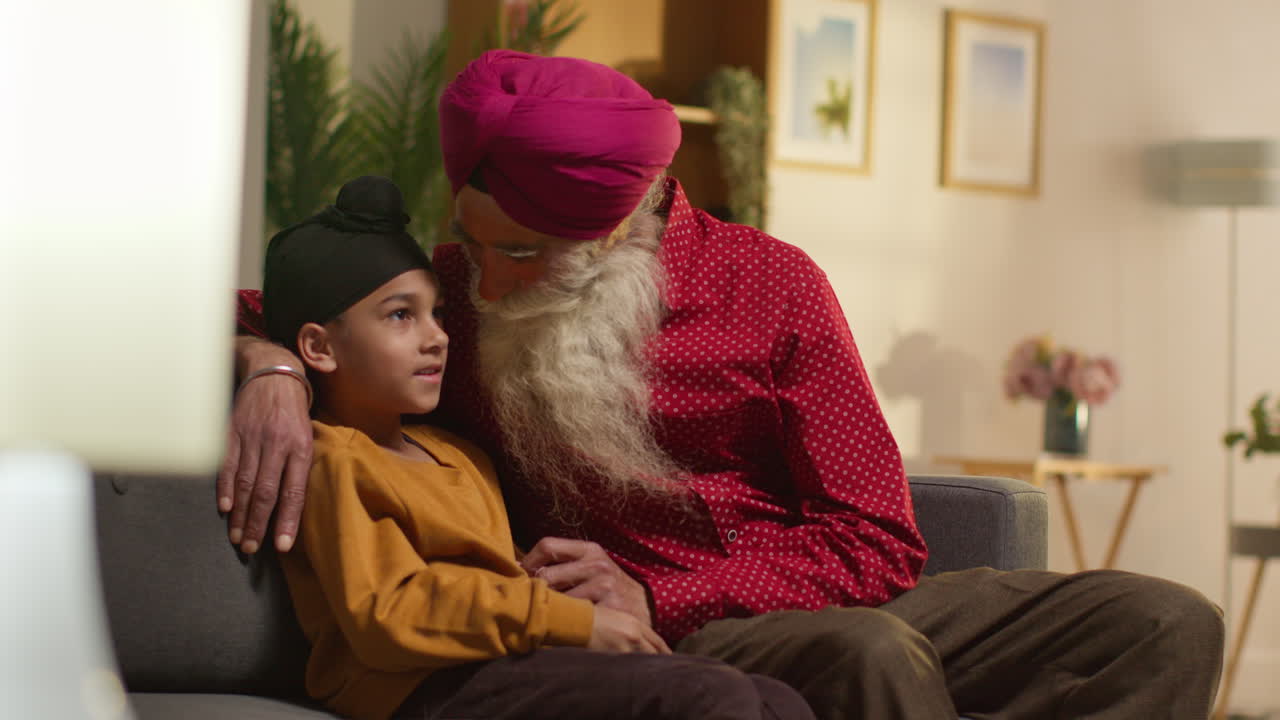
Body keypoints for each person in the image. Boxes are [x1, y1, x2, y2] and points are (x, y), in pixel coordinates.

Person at [228, 51, 1225, 719]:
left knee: (1162, 623)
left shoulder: (773, 286)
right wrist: (267, 363)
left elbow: (876, 539)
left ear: (618, 228)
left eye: (521, 256)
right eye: (473, 246)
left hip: (788, 596)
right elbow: (264, 308)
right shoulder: (449, 296)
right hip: (677, 646)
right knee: (868, 658)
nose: (479, 287)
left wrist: (662, 588)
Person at [257, 174, 815, 720]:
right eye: (402, 316)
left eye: (440, 313)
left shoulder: (461, 454)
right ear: (318, 347)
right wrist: (568, 621)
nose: (439, 337)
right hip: (424, 689)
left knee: (777, 701)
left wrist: (551, 589)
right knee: (712, 699)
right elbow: (387, 615)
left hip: (512, 662)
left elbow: (498, 578)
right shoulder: (334, 458)